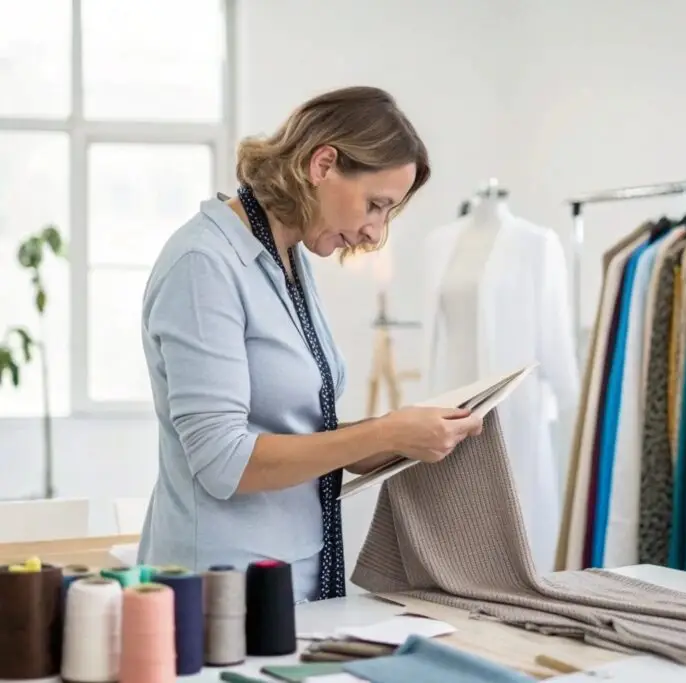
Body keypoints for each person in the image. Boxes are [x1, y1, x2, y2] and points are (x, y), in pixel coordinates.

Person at [137, 86, 484, 603]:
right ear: (322, 165)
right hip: (218, 590)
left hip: (289, 576)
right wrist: (382, 431)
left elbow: (293, 432)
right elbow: (224, 460)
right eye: (375, 205)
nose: (375, 233)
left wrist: (395, 440)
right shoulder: (204, 264)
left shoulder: (287, 258)